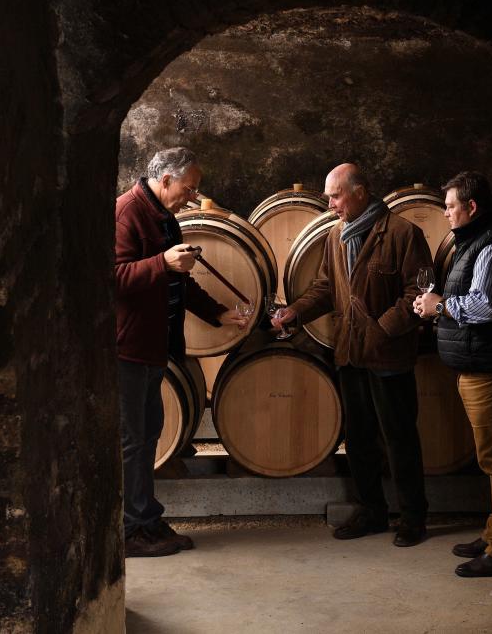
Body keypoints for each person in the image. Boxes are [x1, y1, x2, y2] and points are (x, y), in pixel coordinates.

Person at [272, 163, 432, 547]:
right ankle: (372, 511)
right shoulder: (335, 236)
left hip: (388, 354)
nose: (330, 204)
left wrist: (382, 330)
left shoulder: (403, 233)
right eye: (329, 196)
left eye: (336, 195)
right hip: (349, 352)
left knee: (399, 438)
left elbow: (419, 292)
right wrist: (297, 311)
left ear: (360, 192)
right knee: (359, 439)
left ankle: (413, 517)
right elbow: (327, 287)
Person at [115, 147, 247, 557]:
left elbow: (180, 281)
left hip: (154, 347)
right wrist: (161, 263)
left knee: (147, 434)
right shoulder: (126, 212)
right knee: (133, 440)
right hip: (127, 348)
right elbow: (111, 277)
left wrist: (217, 313)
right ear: (165, 179)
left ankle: (145, 519)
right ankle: (131, 530)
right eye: (188, 188)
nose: (192, 197)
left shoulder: (164, 217)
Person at [413, 171, 492, 577]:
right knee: (491, 458)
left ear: (471, 207)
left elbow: (487, 306)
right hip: (480, 366)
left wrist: (440, 306)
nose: (446, 213)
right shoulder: (478, 241)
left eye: (450, 206)